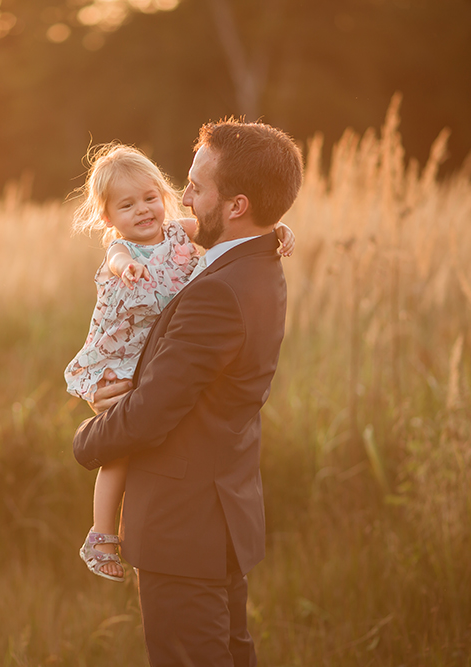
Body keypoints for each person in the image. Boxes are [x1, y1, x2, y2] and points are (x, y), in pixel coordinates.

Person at [73, 120, 304, 666]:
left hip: (184, 528)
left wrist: (87, 440)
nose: (185, 199)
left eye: (197, 188)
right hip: (218, 515)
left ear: (238, 205)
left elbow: (151, 413)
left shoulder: (219, 292)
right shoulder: (256, 262)